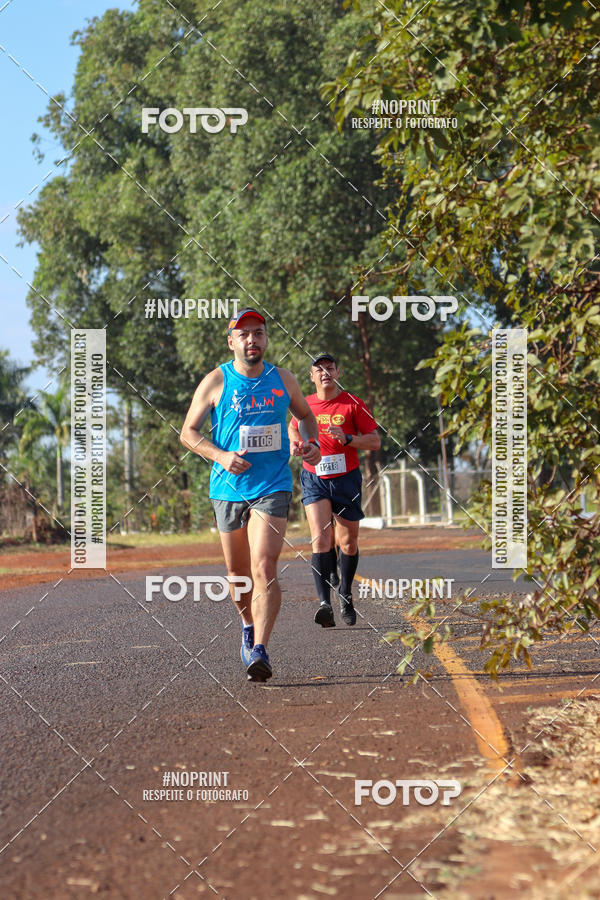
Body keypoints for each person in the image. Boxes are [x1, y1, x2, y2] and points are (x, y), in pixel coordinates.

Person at [180, 308, 321, 682]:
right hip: (227, 489)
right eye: (243, 335)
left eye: (258, 333)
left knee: (264, 566)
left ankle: (260, 648)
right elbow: (188, 433)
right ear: (232, 342)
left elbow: (306, 416)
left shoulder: (284, 379)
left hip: (273, 485)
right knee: (238, 575)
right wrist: (222, 456)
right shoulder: (216, 381)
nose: (252, 340)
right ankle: (247, 624)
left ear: (266, 339)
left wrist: (312, 444)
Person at [288, 353, 380, 627]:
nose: (325, 372)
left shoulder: (353, 403)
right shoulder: (304, 404)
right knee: (320, 539)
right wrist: (296, 444)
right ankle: (324, 603)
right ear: (311, 376)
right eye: (319, 369)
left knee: (348, 542)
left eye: (330, 368)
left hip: (346, 478)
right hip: (314, 476)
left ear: (338, 373)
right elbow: (293, 429)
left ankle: (345, 593)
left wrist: (349, 439)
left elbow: (374, 441)